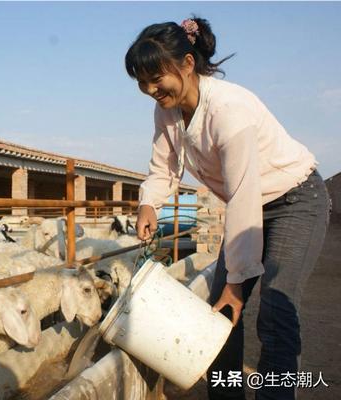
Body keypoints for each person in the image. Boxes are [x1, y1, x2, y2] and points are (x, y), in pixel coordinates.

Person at [125, 16, 330, 400]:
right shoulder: (166, 111)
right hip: (249, 203)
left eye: (157, 77)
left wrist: (237, 284)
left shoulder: (228, 109)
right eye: (142, 81)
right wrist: (148, 203)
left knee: (275, 310)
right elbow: (163, 169)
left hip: (295, 200)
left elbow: (242, 196)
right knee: (218, 318)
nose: (151, 89)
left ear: (187, 64)